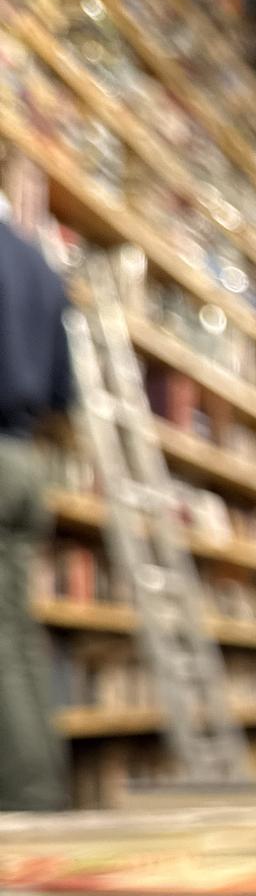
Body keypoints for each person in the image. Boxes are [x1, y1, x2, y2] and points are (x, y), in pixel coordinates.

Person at [0, 217, 73, 811]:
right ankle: (40, 792)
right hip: (24, 460)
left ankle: (26, 804)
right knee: (17, 639)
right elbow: (61, 394)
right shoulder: (38, 262)